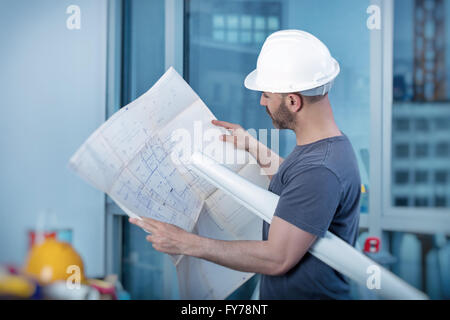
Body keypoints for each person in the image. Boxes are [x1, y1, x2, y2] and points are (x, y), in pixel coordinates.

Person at [130, 30, 361, 299]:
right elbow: (299, 187)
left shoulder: (320, 169)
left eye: (266, 94)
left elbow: (277, 257)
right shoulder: (324, 150)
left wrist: (185, 243)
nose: (262, 101)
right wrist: (253, 146)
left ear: (293, 101)